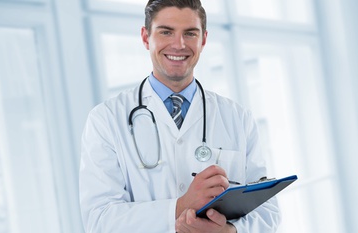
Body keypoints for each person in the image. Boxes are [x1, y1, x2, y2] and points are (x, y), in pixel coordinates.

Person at [78, 0, 280, 232]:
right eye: (166, 32)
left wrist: (230, 232)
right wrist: (181, 206)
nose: (179, 44)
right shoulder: (106, 119)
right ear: (146, 38)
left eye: (190, 33)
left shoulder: (238, 117)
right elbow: (99, 220)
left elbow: (268, 210)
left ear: (203, 39)